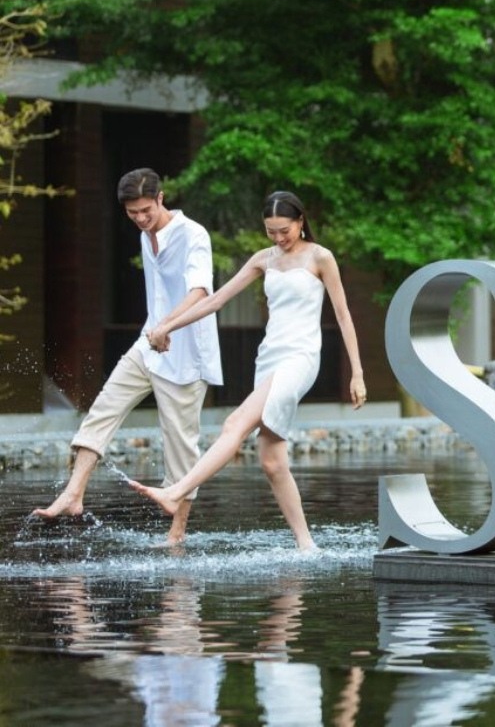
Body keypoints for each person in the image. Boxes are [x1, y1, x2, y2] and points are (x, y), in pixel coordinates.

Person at [129, 190, 366, 551]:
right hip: (269, 357)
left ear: (301, 222)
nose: (278, 238)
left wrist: (358, 373)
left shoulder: (321, 258)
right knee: (271, 462)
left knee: (234, 423)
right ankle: (307, 545)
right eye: (271, 231)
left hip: (301, 358)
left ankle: (176, 491)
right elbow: (215, 300)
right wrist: (166, 326)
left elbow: (344, 315)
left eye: (284, 230)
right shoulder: (263, 259)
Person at [33, 168, 223, 544]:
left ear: (161, 198)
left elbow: (201, 292)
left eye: (146, 211)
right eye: (132, 213)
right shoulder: (143, 236)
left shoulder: (193, 235)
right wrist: (157, 330)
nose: (140, 219)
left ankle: (177, 532)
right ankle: (73, 495)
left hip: (186, 355)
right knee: (103, 408)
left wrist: (167, 326)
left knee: (180, 446)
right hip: (149, 345)